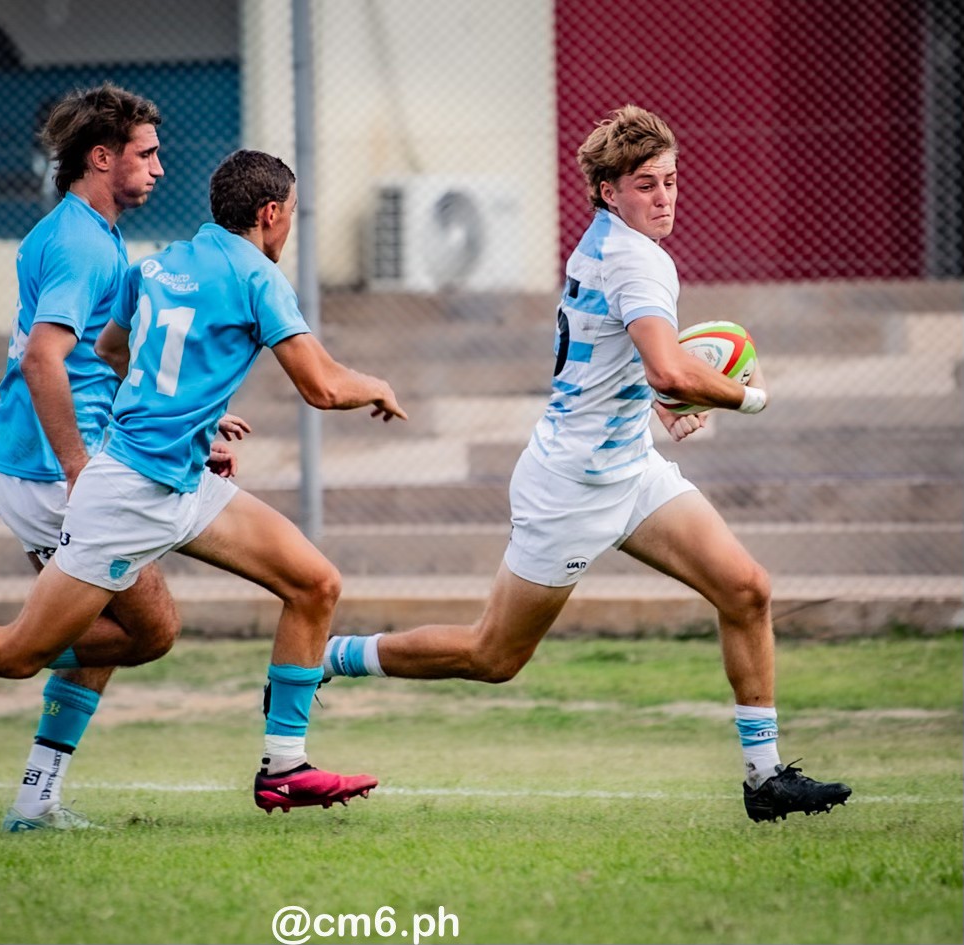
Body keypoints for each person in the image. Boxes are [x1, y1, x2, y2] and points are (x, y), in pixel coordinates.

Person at [0, 148, 406, 816]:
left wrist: (196, 417)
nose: (289, 230)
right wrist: (377, 386)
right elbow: (322, 385)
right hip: (128, 495)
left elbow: (111, 350)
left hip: (178, 484)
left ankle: (283, 766)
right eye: (291, 217)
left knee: (313, 582)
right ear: (270, 214)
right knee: (19, 651)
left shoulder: (159, 263)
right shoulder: (258, 277)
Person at [319, 104, 851, 824]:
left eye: (669, 180)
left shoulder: (604, 243)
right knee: (492, 655)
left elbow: (619, 359)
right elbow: (668, 364)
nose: (663, 197)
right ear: (608, 191)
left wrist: (656, 397)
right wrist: (746, 397)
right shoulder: (636, 259)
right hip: (569, 486)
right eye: (644, 184)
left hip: (627, 468)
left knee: (745, 589)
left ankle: (764, 779)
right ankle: (332, 655)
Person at [0, 82, 251, 832]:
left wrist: (196, 422)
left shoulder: (89, 234)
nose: (160, 168)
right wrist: (80, 469)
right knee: (151, 628)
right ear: (101, 158)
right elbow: (43, 360)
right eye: (147, 154)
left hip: (56, 459)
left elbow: (96, 360)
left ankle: (34, 798)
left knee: (110, 624)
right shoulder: (77, 241)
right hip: (43, 468)